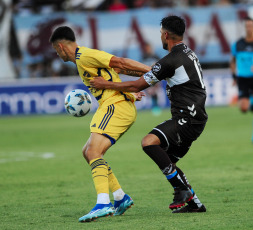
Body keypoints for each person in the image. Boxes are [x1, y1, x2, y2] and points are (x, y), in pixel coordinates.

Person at [90, 15, 208, 213]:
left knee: (148, 142)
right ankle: (194, 203)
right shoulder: (187, 53)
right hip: (195, 117)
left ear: (165, 34)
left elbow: (137, 84)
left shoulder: (170, 60)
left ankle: (181, 189)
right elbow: (151, 74)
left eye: (160, 33)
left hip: (187, 117)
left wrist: (106, 84)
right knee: (167, 160)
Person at [49, 26, 151, 222]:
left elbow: (120, 62)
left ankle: (103, 203)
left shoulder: (86, 55)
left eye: (56, 50)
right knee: (87, 152)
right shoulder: (81, 62)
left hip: (114, 108)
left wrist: (155, 71)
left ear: (61, 46)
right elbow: (114, 73)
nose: (57, 54)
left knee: (94, 152)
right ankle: (120, 197)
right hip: (114, 105)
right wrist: (130, 93)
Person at [230, 16, 253, 142]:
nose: (249, 28)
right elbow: (232, 61)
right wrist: (234, 76)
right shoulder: (238, 44)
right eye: (247, 26)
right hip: (243, 79)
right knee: (243, 108)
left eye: (251, 26)